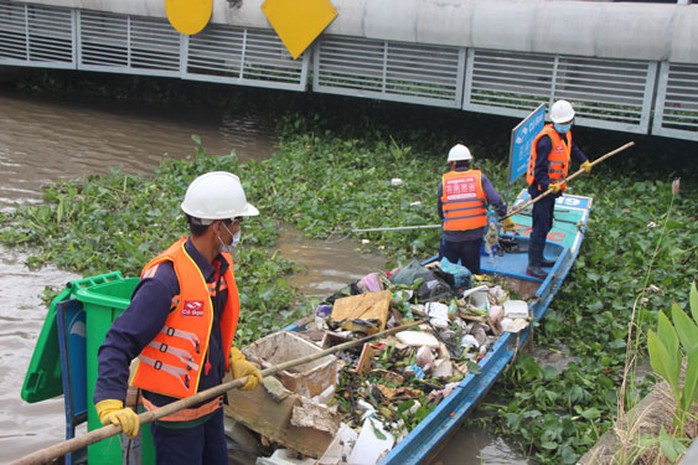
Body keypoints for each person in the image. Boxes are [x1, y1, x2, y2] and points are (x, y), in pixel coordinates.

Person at [93, 171, 263, 465]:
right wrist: (110, 402)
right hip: (175, 415)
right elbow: (117, 342)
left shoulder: (218, 269)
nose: (238, 229)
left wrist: (232, 357)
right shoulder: (165, 281)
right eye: (236, 222)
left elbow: (206, 329)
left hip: (210, 403)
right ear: (217, 227)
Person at [526, 100, 592, 279]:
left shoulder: (566, 134)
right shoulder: (546, 140)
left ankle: (540, 257)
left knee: (547, 224)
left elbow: (572, 149)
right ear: (555, 122)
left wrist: (583, 161)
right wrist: (547, 184)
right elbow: (539, 169)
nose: (565, 125)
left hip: (553, 190)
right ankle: (533, 264)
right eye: (562, 123)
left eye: (567, 122)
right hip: (542, 190)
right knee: (540, 227)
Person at [437, 144, 515, 275]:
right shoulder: (480, 178)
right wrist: (505, 218)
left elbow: (440, 209)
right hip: (473, 237)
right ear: (469, 161)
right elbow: (496, 201)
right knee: (472, 273)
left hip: (451, 237)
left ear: (452, 163)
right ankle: (469, 294)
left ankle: (447, 293)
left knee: (444, 273)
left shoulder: (445, 182)